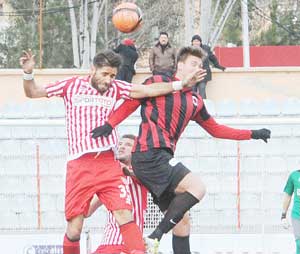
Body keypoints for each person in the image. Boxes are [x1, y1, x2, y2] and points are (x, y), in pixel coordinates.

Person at [19, 49, 205, 254]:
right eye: (105, 74)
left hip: (108, 162)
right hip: (79, 164)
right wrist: (28, 74)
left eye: (113, 76)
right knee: (75, 229)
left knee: (124, 213)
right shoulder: (71, 85)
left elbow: (145, 91)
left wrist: (180, 85)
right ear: (93, 69)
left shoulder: (115, 88)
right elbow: (33, 92)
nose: (109, 80)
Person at [91, 46, 271, 254]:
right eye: (194, 63)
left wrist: (253, 133)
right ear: (181, 65)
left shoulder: (195, 100)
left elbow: (216, 129)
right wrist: (110, 124)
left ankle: (158, 239)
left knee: (182, 223)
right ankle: (154, 237)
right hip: (148, 154)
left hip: (158, 159)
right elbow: (130, 104)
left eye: (201, 65)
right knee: (198, 187)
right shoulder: (157, 82)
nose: (198, 67)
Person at [86, 134, 148, 254]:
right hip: (107, 244)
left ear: (137, 151)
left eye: (128, 145)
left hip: (128, 245)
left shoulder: (142, 172)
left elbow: (135, 174)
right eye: (119, 144)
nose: (121, 147)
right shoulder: (109, 178)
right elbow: (87, 211)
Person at [191, 34, 226, 99]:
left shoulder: (206, 48)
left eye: (198, 41)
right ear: (192, 42)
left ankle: (204, 106)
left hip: (203, 73)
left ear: (200, 42)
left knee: (202, 88)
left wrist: (217, 65)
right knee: (193, 90)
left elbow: (212, 58)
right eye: (194, 41)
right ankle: (194, 106)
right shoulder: (189, 50)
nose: (196, 43)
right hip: (193, 74)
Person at [281, 169, 300, 254]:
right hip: (297, 215)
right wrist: (283, 216)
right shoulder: (294, 175)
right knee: (299, 243)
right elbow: (288, 195)